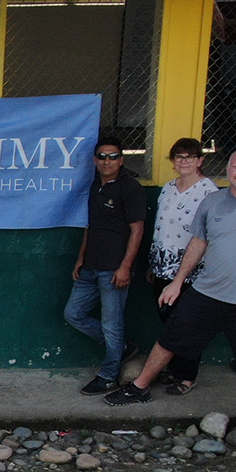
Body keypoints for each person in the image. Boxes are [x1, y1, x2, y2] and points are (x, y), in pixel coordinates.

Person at [106, 149, 236, 445]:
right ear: (227, 169)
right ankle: (139, 386)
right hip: (207, 292)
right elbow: (198, 242)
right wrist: (177, 282)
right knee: (170, 337)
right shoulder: (212, 201)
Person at [66, 137, 146, 395]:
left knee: (112, 323)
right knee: (73, 314)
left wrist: (125, 267)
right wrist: (81, 257)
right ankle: (121, 347)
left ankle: (109, 375)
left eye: (112, 156)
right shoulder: (94, 187)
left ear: (121, 160)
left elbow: (137, 229)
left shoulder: (130, 188)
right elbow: (91, 226)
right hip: (90, 267)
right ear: (95, 160)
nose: (107, 161)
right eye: (102, 156)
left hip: (114, 269)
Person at [146, 137, 218, 395]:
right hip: (162, 266)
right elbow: (160, 229)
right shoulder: (167, 188)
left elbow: (209, 235)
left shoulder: (209, 192)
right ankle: (175, 368)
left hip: (190, 271)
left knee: (185, 323)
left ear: (200, 160)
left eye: (190, 156)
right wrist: (153, 265)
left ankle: (187, 376)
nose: (184, 161)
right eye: (179, 156)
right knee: (168, 319)